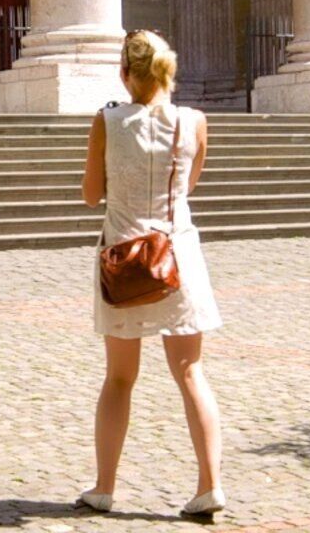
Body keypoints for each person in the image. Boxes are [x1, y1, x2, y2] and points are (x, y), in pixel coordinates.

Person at [82, 29, 223, 521]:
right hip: (177, 257)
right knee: (190, 372)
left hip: (125, 258)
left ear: (125, 74)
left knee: (120, 377)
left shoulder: (107, 121)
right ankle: (209, 485)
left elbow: (91, 194)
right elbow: (190, 185)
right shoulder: (195, 122)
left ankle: (104, 487)